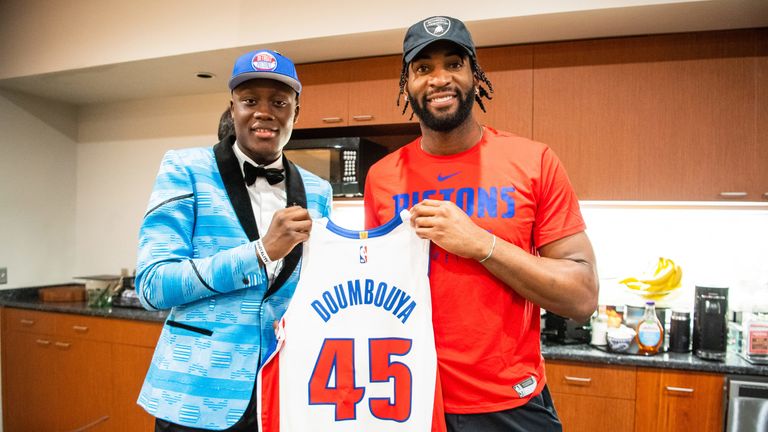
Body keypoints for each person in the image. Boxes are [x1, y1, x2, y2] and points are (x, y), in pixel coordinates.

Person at [364, 16, 599, 431]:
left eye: (453, 64)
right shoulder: (382, 177)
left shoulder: (533, 162)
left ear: (475, 75)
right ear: (407, 85)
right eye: (423, 69)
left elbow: (581, 297)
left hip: (507, 404)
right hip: (407, 400)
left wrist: (482, 244)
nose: (439, 79)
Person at [135, 49, 333, 431]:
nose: (264, 112)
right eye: (249, 101)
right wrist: (259, 253)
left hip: (285, 394)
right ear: (232, 108)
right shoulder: (185, 168)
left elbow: (316, 286)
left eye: (279, 102)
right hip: (194, 394)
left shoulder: (318, 190)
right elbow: (152, 286)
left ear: (296, 110)